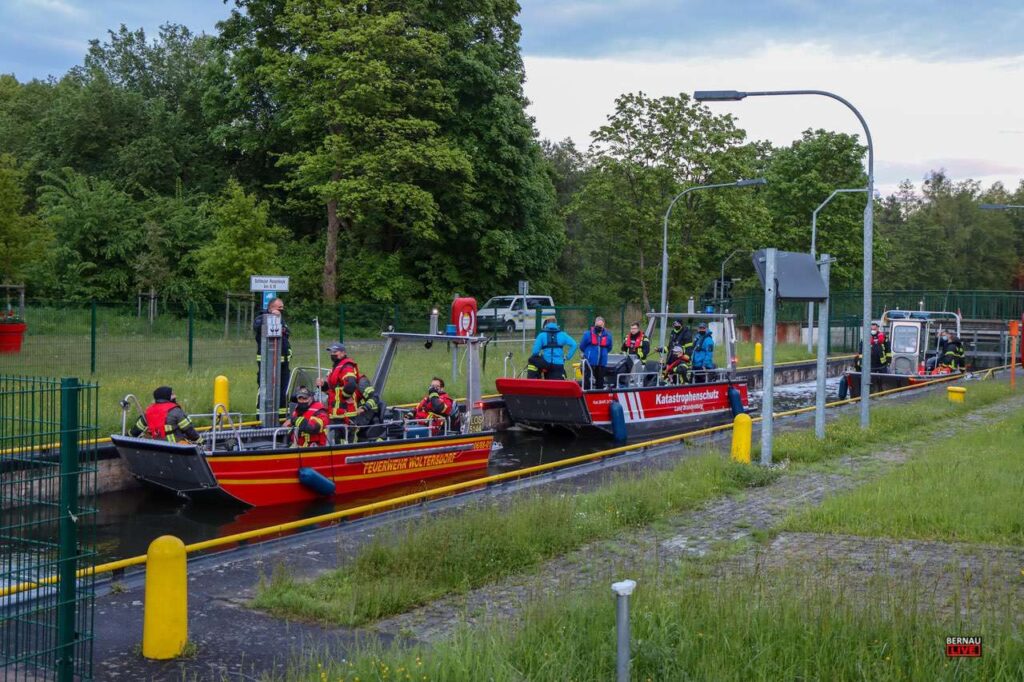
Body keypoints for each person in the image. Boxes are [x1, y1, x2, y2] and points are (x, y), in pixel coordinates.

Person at [253, 297, 292, 412]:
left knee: (284, 390)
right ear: (271, 308)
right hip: (268, 363)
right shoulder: (261, 318)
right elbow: (257, 326)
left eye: (283, 308)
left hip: (284, 363)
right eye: (279, 308)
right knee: (266, 389)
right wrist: (271, 317)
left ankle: (281, 420)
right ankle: (261, 418)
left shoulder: (281, 319)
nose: (282, 310)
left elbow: (287, 332)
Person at [130, 386, 202, 444]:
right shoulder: (176, 411)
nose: (175, 396)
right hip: (176, 447)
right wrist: (201, 442)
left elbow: (135, 431)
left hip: (156, 447)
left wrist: (125, 437)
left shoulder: (148, 412)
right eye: (172, 394)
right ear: (166, 396)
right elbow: (189, 430)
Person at [317, 342, 361, 434]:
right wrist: (323, 385)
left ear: (343, 353)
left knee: (344, 441)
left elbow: (351, 384)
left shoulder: (346, 366)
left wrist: (345, 397)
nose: (332, 354)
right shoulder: (336, 367)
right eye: (331, 352)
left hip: (345, 413)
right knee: (334, 439)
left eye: (335, 352)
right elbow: (333, 389)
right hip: (336, 413)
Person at [579, 316, 613, 388]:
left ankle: (599, 394)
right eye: (597, 325)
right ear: (594, 324)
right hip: (589, 361)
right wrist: (589, 354)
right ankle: (586, 393)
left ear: (603, 325)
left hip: (602, 362)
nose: (599, 327)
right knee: (586, 379)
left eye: (600, 325)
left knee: (600, 379)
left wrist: (603, 354)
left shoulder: (608, 336)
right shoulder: (588, 334)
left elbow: (609, 347)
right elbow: (582, 346)